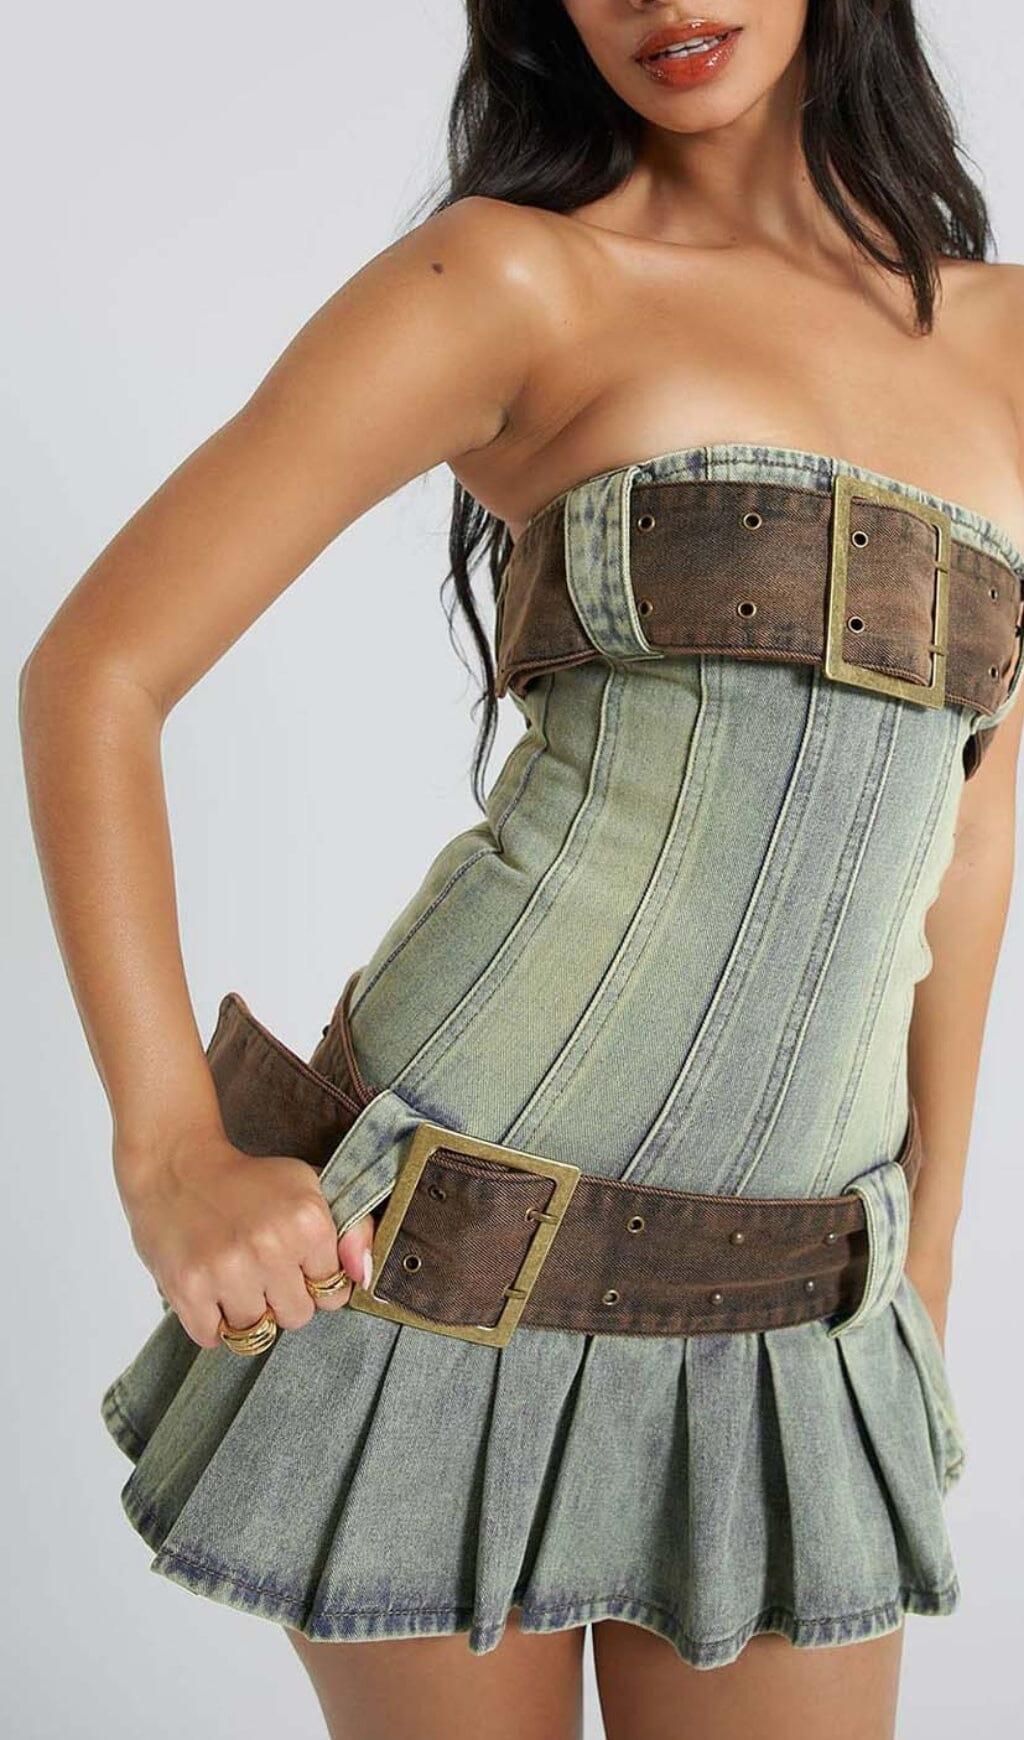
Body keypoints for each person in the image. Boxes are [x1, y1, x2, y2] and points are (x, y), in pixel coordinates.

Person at [18, 4, 1024, 1738]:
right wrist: (169, 1150)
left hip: (801, 1302)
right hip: (440, 1262)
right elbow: (94, 676)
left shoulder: (1009, 345)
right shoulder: (510, 282)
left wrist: (926, 1249)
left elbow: (974, 823)